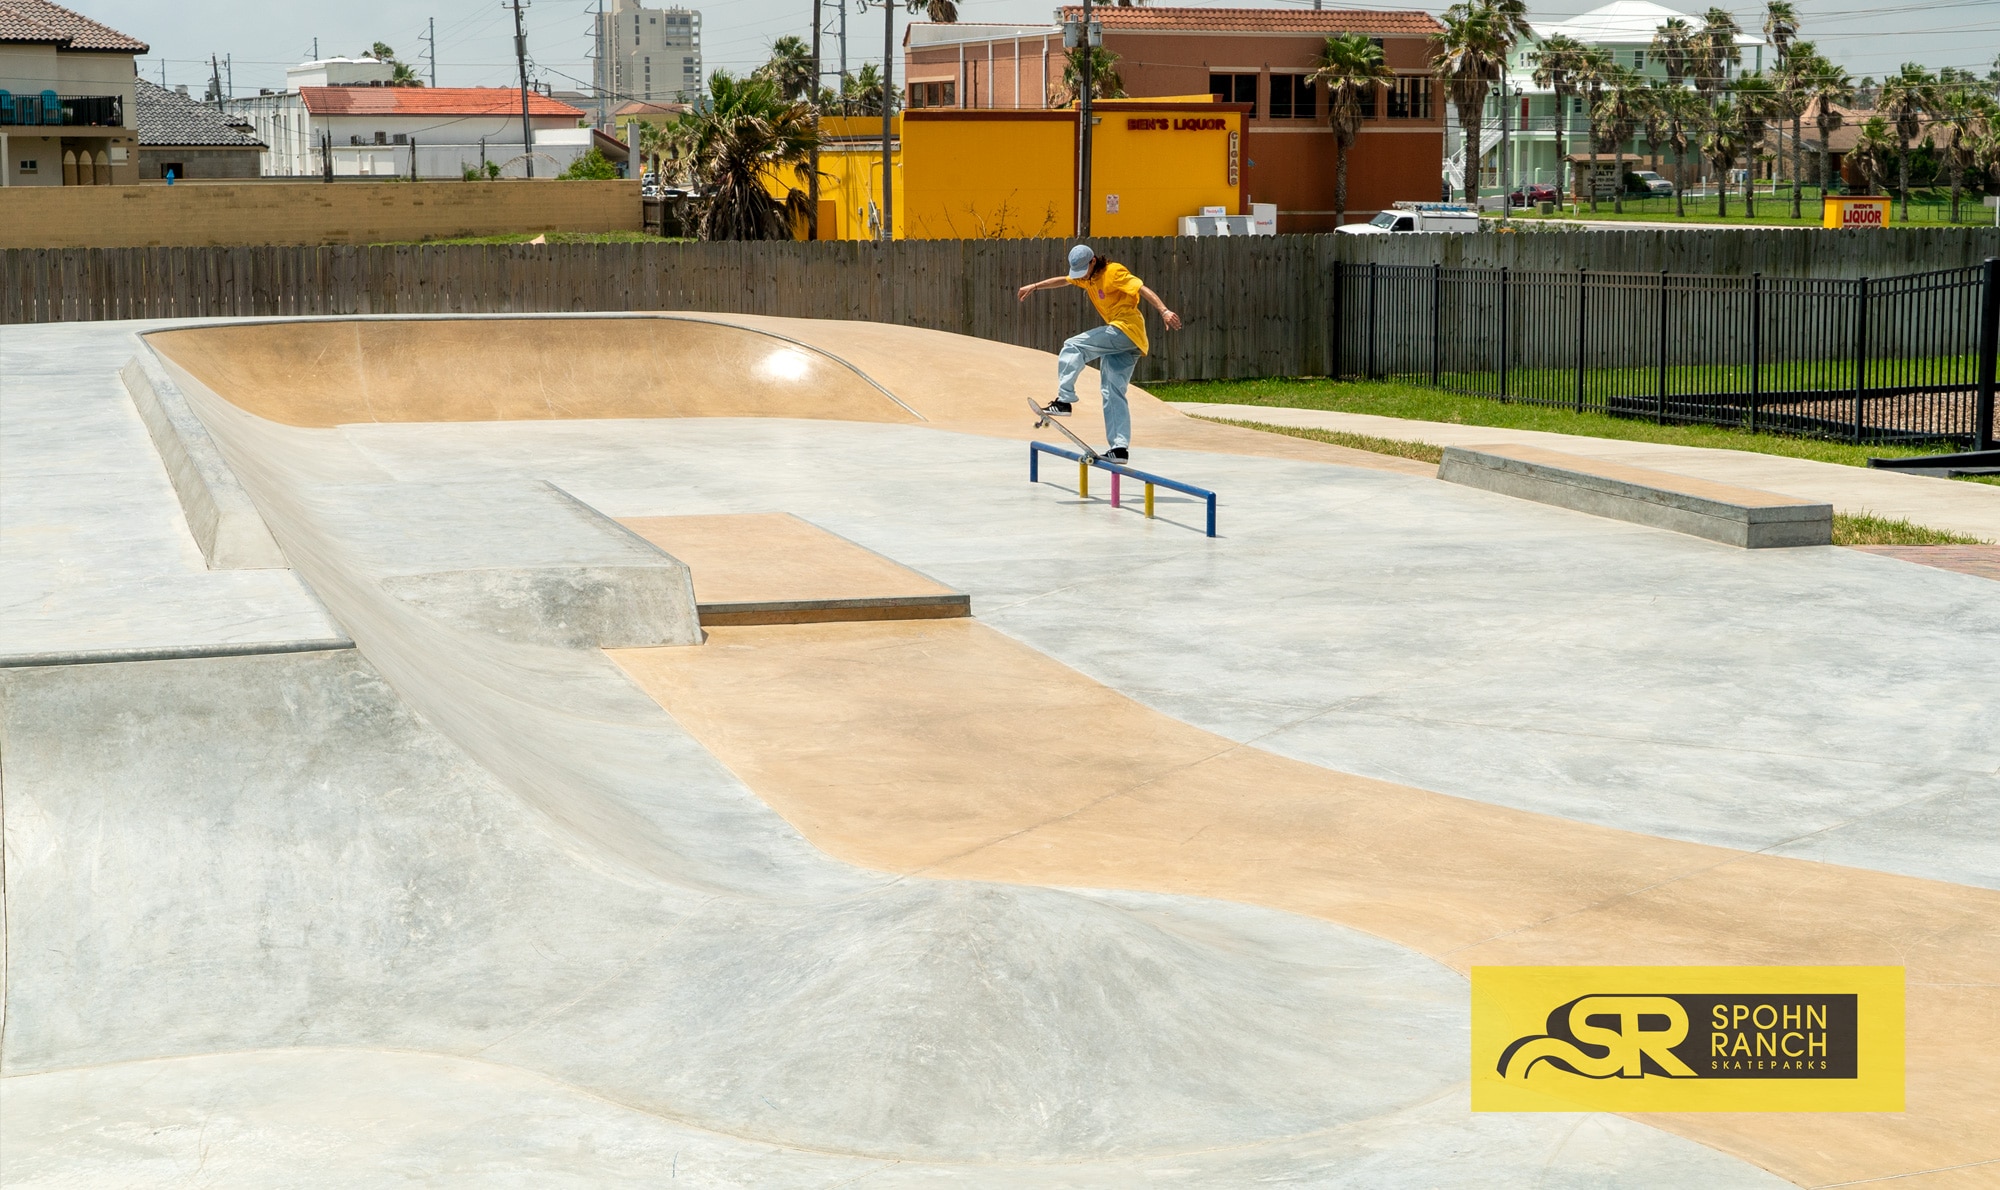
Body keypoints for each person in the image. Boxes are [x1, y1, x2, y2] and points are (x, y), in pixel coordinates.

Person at [1017, 244, 1181, 463]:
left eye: (1084, 270)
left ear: (1093, 261)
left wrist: (1164, 311)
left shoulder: (1113, 272)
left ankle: (1064, 400)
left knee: (1073, 346)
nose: (1081, 276)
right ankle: (1119, 449)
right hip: (1131, 344)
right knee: (1112, 392)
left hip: (1125, 330)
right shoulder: (1087, 278)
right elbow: (1063, 280)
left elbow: (1141, 288)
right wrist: (1036, 286)